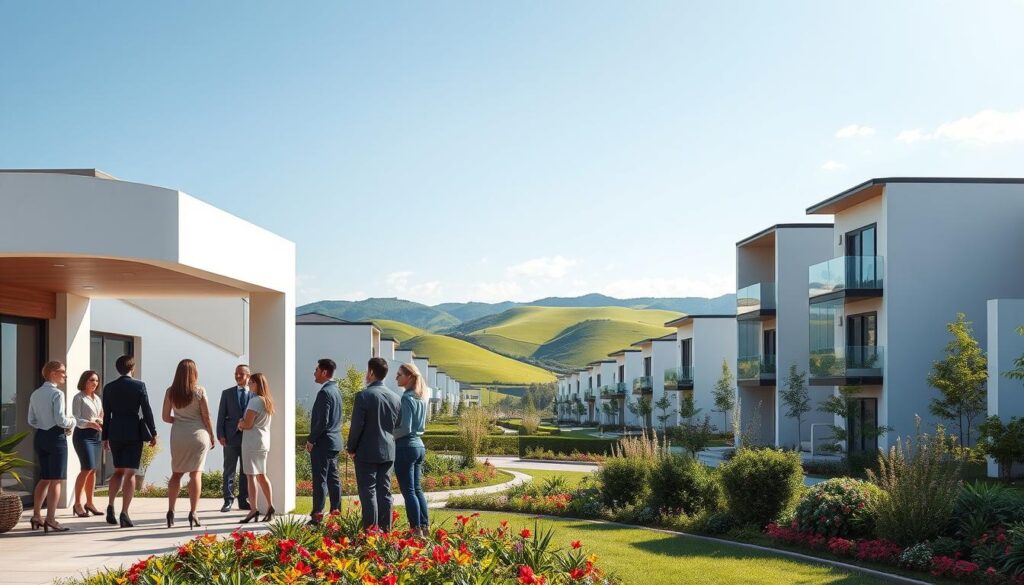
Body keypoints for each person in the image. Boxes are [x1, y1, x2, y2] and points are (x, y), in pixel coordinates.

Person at [102, 355, 158, 528]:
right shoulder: (139, 386)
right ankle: (124, 512)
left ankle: (110, 505)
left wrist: (105, 437)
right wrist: (153, 432)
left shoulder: (109, 387)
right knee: (131, 473)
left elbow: (106, 414)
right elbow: (146, 410)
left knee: (118, 471)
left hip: (115, 431)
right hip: (134, 432)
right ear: (132, 368)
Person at [346, 357, 401, 532]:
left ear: (370, 373)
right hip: (388, 450)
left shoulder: (363, 395)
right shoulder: (395, 398)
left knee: (368, 492)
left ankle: (370, 533)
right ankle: (386, 532)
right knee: (384, 492)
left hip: (366, 451)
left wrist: (351, 448)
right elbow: (397, 425)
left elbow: (357, 426)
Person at [162, 359, 215, 530]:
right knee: (195, 474)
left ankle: (170, 511)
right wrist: (212, 435)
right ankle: (193, 512)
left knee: (176, 474)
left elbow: (165, 417)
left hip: (178, 435)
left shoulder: (171, 392)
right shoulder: (199, 391)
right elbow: (206, 416)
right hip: (198, 434)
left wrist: (179, 421)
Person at [27, 360, 77, 533]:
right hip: (56, 437)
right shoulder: (57, 394)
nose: (65, 375)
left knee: (45, 478)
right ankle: (51, 519)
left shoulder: (35, 394)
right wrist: (73, 421)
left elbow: (31, 420)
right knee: (56, 480)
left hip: (40, 436)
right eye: (63, 371)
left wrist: (44, 424)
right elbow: (61, 420)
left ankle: (36, 516)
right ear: (53, 373)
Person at [393, 362, 430, 536]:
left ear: (409, 377)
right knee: (417, 489)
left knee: (408, 491)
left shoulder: (407, 398)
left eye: (399, 374)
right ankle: (424, 526)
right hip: (419, 446)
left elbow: (405, 428)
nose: (396, 377)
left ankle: (415, 530)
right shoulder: (421, 398)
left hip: (406, 447)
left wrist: (388, 434)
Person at [306, 358, 342, 525]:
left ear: (324, 372)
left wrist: (311, 440)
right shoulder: (336, 390)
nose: (314, 373)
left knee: (320, 480)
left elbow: (323, 421)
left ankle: (317, 516)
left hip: (323, 443)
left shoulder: (325, 392)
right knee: (333, 480)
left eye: (316, 370)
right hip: (334, 442)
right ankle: (336, 513)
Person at [237, 372, 275, 523]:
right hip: (263, 442)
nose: (249, 385)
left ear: (257, 384)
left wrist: (240, 423)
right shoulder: (267, 401)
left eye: (251, 383)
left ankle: (254, 509)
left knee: (251, 476)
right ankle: (270, 506)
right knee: (262, 475)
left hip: (252, 443)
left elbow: (248, 424)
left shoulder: (254, 401)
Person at [216, 364, 251, 512]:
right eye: (236, 374)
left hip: (249, 438)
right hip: (230, 438)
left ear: (248, 376)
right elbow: (221, 416)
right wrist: (220, 435)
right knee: (228, 470)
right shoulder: (227, 393)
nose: (237, 376)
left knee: (245, 471)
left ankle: (243, 501)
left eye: (241, 374)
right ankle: (228, 501)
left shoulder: (254, 394)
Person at [71, 370, 104, 517]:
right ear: (84, 381)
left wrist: (100, 421)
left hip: (96, 436)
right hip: (83, 436)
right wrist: (90, 423)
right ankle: (77, 504)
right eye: (91, 380)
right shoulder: (78, 397)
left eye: (96, 380)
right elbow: (76, 419)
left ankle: (89, 503)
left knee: (93, 470)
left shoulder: (97, 398)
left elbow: (101, 415)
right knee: (86, 468)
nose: (94, 383)